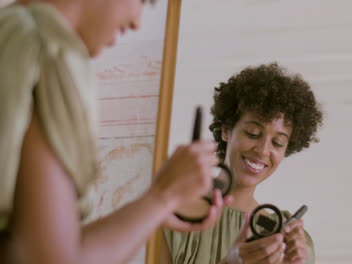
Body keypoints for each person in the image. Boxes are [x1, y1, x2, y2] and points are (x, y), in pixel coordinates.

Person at [0, 0, 231, 263]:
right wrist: (161, 197)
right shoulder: (45, 46)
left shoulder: (9, 32)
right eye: (144, 1)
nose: (137, 22)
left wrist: (151, 211)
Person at [160, 63, 323, 264]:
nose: (263, 150)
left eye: (277, 143)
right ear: (226, 130)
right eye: (252, 133)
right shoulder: (172, 210)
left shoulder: (292, 242)